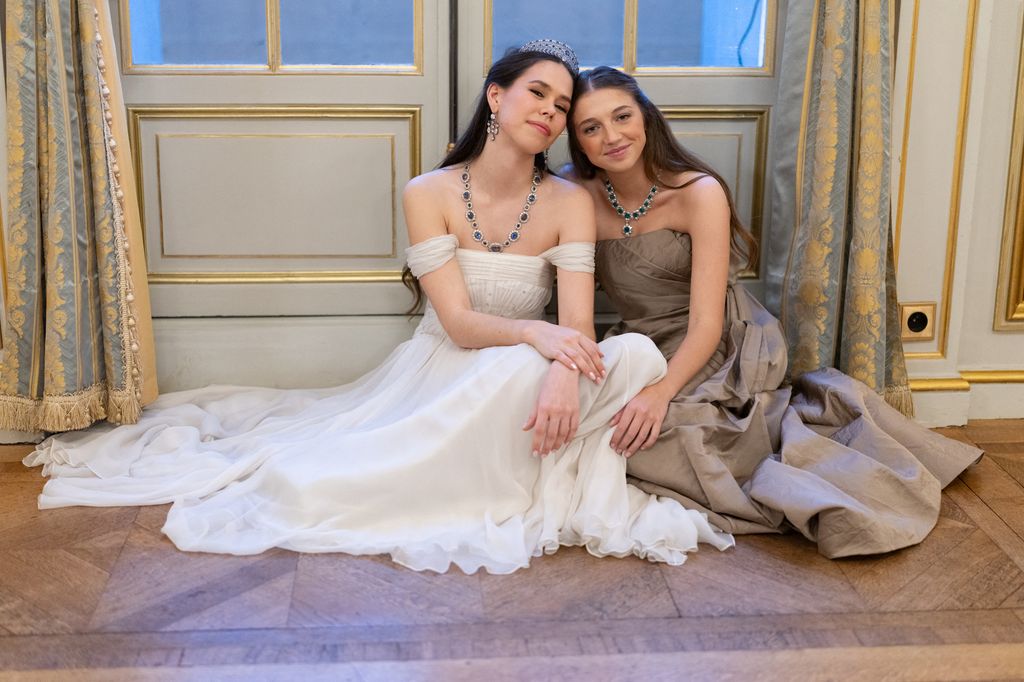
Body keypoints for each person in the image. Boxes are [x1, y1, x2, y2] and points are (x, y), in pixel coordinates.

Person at [24, 43, 733, 575]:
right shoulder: (427, 192)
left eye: (559, 106)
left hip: (532, 362)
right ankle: (434, 471)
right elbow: (458, 323)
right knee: (315, 479)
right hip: (456, 360)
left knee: (632, 355)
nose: (549, 112)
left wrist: (558, 361)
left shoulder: (571, 200)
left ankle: (519, 448)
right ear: (495, 96)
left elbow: (579, 325)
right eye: (537, 95)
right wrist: (539, 340)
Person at [564, 66, 982, 558]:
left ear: (646, 117)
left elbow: (706, 322)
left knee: (666, 431)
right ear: (577, 142)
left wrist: (659, 395)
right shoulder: (574, 195)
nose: (612, 136)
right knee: (604, 430)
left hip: (715, 341)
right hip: (640, 340)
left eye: (622, 116)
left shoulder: (697, 192)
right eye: (591, 128)